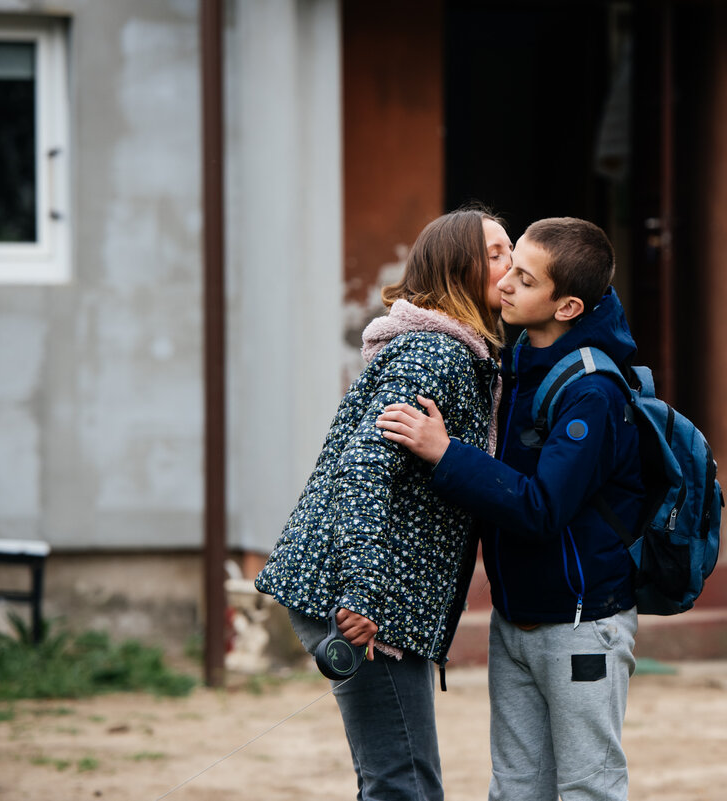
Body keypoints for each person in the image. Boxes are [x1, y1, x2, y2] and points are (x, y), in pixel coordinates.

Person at [376, 217, 644, 801]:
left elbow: (542, 508)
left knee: (587, 788)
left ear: (567, 305)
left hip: (581, 624)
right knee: (516, 789)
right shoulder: (518, 360)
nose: (505, 286)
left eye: (524, 279)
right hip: (516, 618)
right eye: (509, 266)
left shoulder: (592, 391)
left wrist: (446, 454)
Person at [253, 207, 513, 801]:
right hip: (361, 596)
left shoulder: (459, 354)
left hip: (373, 592)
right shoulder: (434, 355)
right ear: (458, 269)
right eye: (496, 253)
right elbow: (364, 472)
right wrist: (363, 595)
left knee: (403, 776)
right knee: (402, 783)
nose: (512, 263)